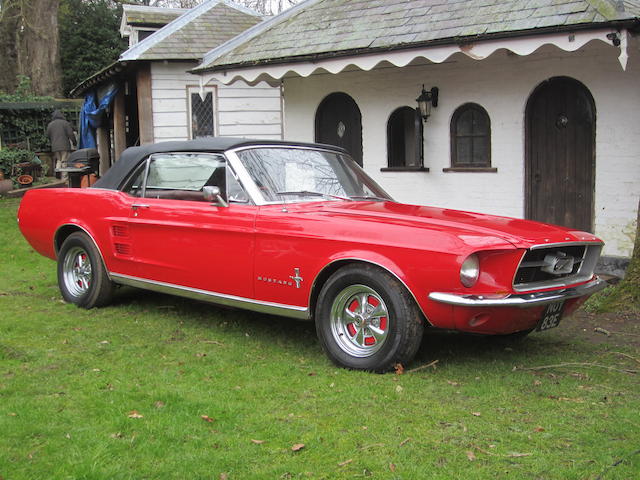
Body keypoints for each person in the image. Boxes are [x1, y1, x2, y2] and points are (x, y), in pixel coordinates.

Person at [46, 110, 77, 178]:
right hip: (64, 145)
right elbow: (70, 134)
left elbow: (48, 135)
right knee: (64, 161)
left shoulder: (50, 124)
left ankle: (57, 175)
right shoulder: (65, 123)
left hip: (55, 146)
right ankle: (64, 177)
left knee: (59, 160)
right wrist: (74, 143)